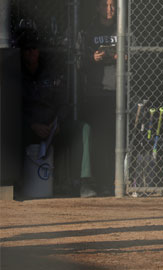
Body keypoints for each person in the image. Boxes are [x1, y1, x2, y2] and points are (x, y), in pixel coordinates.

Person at [18, 28, 91, 197]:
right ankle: (18, 183)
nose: (31, 53)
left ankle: (84, 181)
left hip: (52, 127)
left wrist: (58, 122)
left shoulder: (50, 74)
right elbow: (14, 108)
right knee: (10, 130)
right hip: (28, 128)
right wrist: (31, 124)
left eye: (34, 49)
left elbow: (64, 104)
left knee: (83, 128)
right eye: (27, 49)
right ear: (21, 53)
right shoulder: (16, 74)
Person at [78, 0, 118, 196]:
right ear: (97, 7)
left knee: (113, 140)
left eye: (113, 5)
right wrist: (91, 58)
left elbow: (137, 57)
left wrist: (124, 57)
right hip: (95, 93)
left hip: (118, 93)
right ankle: (92, 182)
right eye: (105, 5)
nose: (109, 9)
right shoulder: (88, 31)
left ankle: (110, 183)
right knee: (95, 138)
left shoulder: (123, 28)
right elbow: (77, 62)